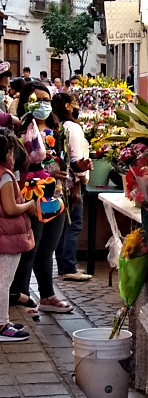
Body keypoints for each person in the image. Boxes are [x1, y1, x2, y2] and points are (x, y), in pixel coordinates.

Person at [9, 81, 72, 315]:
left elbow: (63, 159)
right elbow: (15, 166)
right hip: (29, 196)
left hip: (55, 194)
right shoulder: (18, 131)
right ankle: (20, 295)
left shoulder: (58, 129)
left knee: (48, 249)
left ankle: (47, 295)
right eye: (38, 100)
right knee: (29, 249)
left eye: (47, 100)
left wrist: (73, 168)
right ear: (27, 102)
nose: (44, 105)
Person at [51, 91, 92, 281]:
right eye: (74, 103)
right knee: (74, 224)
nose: (77, 106)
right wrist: (83, 176)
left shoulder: (60, 125)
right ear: (67, 106)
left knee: (65, 226)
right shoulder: (72, 127)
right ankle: (68, 266)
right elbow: (76, 156)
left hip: (63, 181)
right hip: (72, 182)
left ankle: (64, 265)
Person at [0, 128, 36, 340]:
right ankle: (2, 325)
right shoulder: (4, 176)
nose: (13, 157)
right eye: (11, 152)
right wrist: (29, 205)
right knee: (3, 283)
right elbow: (11, 208)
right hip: (7, 239)